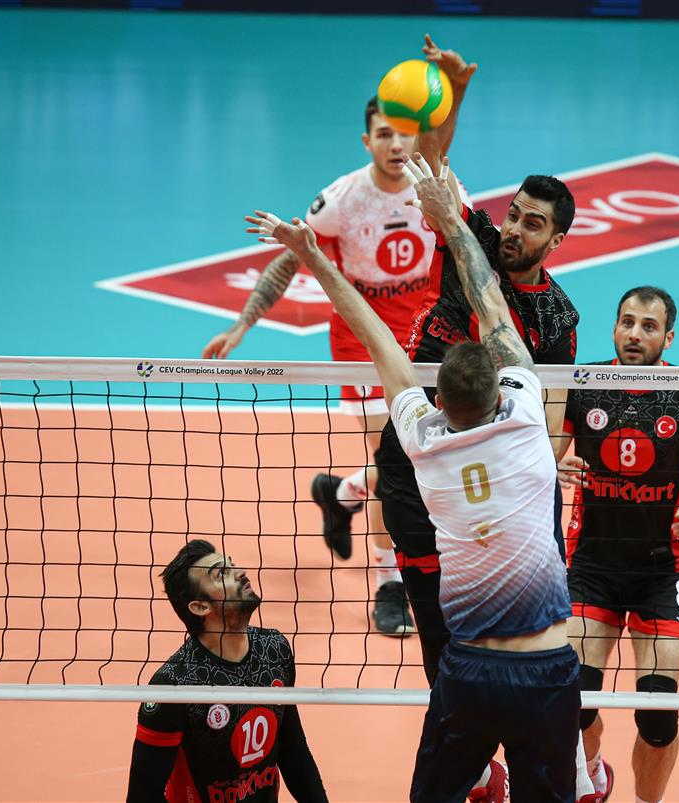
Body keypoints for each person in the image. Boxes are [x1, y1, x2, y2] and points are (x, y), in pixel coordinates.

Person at [248, 155, 581, 802]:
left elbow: (380, 340)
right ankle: (520, 771)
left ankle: (479, 759)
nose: (514, 228)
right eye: (513, 215)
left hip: (453, 500)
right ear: (505, 384)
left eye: (532, 223)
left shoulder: (425, 434)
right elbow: (489, 299)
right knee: (438, 635)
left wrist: (313, 256)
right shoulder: (522, 419)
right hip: (532, 647)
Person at [202, 35, 475, 638]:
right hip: (363, 345)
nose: (397, 144)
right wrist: (244, 322)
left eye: (406, 134)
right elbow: (290, 259)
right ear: (366, 141)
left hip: (428, 338)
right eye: (384, 134)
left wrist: (457, 89)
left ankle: (343, 492)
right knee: (400, 460)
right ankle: (389, 584)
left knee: (427, 452)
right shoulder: (343, 201)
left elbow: (449, 169)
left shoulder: (435, 185)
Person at [554, 287, 679, 803]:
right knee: (572, 704)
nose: (635, 334)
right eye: (627, 322)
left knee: (657, 716)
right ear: (615, 327)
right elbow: (542, 457)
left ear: (668, 337)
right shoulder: (583, 384)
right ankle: (593, 768)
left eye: (649, 326)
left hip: (664, 572)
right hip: (592, 565)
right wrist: (553, 464)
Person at [126, 539, 327, 803]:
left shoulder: (274, 649)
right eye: (221, 574)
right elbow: (142, 796)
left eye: (231, 565)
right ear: (200, 606)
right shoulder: (174, 686)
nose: (239, 572)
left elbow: (293, 751)